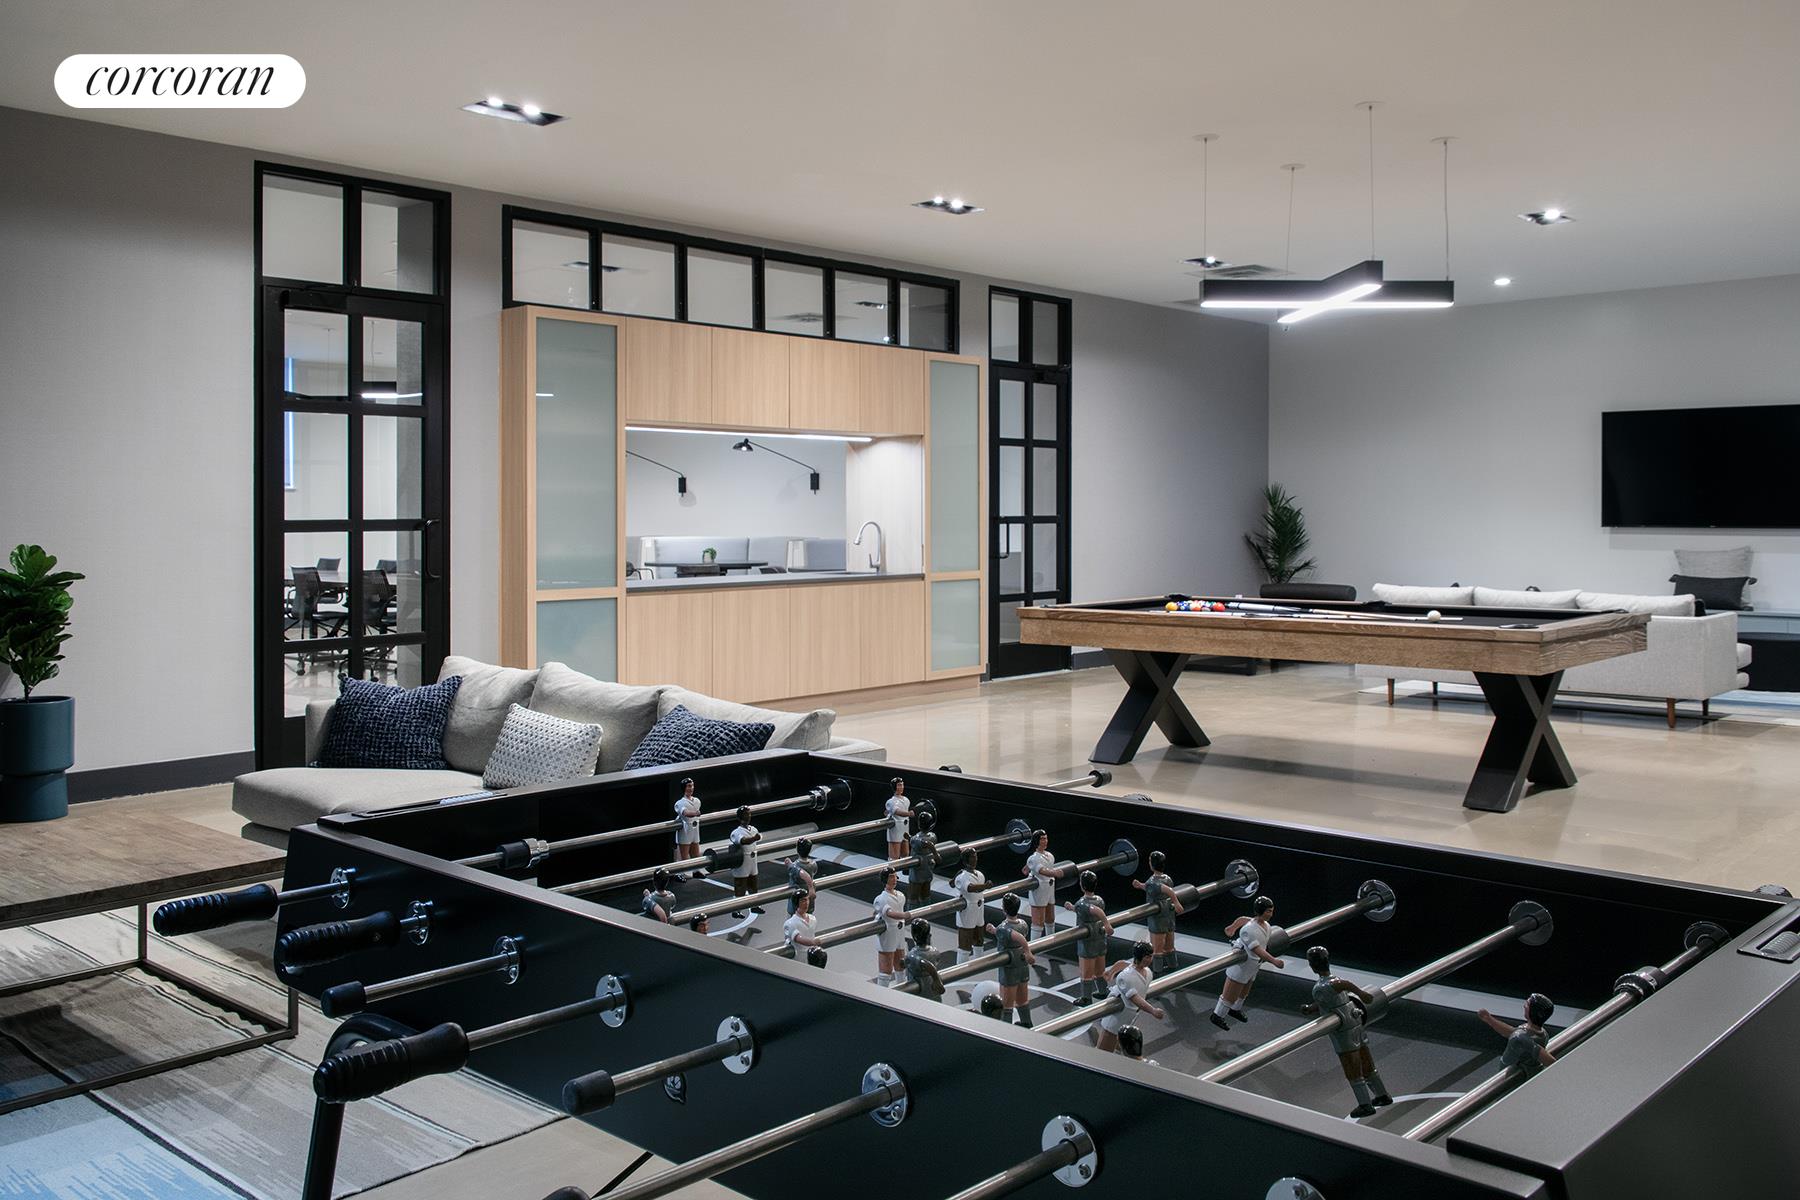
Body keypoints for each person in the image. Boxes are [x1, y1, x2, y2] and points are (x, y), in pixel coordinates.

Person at [1300, 945, 1392, 1118]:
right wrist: (1310, 1008)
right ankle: (1382, 1095)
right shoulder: (1332, 981)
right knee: (1366, 1060)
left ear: (1312, 965)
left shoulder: (1324, 985)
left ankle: (1365, 1104)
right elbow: (1329, 999)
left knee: (1352, 1067)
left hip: (1343, 1029)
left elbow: (1343, 986)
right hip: (1354, 1021)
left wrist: (1362, 994)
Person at [1213, 895, 1283, 1030]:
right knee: (1231, 994)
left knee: (1244, 991)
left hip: (1254, 964)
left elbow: (1244, 920)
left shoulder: (1265, 925)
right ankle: (1218, 1015)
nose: (1271, 914)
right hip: (1242, 965)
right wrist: (1274, 961)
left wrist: (1232, 927)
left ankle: (1235, 1009)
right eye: (1268, 911)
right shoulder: (1248, 930)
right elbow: (1257, 949)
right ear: (1260, 911)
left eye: (1271, 911)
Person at [1096, 941, 1164, 1053]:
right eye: (1147, 957)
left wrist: (1111, 971)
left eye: (1151, 956)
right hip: (1117, 1015)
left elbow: (1124, 963)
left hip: (1131, 1013)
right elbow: (1134, 998)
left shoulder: (1147, 972)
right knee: (1104, 1049)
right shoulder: (1126, 977)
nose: (1150, 959)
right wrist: (1153, 1010)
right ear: (1139, 956)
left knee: (1119, 1043)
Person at [1063, 871, 1114, 1005]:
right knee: (1099, 969)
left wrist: (1107, 923)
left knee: (1086, 971)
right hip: (1100, 938)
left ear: (1082, 885)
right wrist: (1071, 907)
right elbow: (1086, 910)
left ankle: (1086, 997)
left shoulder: (1082, 903)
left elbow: (1095, 910)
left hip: (1087, 941)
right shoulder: (1099, 900)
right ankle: (1103, 990)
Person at [1131, 851, 1186, 974]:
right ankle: (1173, 966)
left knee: (1157, 949)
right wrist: (1140, 885)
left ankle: (1157, 972)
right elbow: (1154, 889)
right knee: (1169, 946)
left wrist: (1176, 902)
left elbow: (1166, 890)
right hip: (1169, 916)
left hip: (1158, 918)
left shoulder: (1153, 881)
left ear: (1152, 864)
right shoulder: (1166, 878)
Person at [987, 893, 1037, 1025]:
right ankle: (1027, 1022)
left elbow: (1016, 936)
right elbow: (1011, 934)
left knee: (1007, 1003)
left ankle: (1006, 1029)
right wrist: (994, 930)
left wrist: (1027, 950)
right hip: (1022, 965)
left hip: (1009, 969)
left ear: (1004, 908)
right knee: (1022, 999)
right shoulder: (1023, 924)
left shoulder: (1003, 928)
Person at [1478, 993, 1557, 1078]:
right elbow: (1513, 1033)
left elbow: (1549, 1061)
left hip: (1510, 1077)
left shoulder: (1524, 1039)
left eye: (1527, 1004)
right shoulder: (1540, 1033)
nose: (1524, 1006)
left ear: (1534, 1012)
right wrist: (1490, 1020)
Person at [872, 868, 909, 984]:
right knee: (886, 968)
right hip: (888, 932)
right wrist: (905, 915)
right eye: (891, 877)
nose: (894, 879)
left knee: (901, 964)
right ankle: (881, 991)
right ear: (885, 879)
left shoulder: (901, 895)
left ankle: (901, 987)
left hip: (899, 931)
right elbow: (889, 913)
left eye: (895, 876)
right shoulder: (881, 899)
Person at [1023, 830, 1063, 938]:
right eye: (1042, 839)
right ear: (1037, 841)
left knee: (1050, 918)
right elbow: (1042, 870)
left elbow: (1026, 869)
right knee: (1038, 921)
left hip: (1049, 888)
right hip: (1039, 890)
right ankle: (1035, 944)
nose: (1045, 841)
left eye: (1046, 838)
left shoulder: (1050, 856)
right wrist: (1055, 873)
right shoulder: (1033, 858)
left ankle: (1051, 941)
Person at [951, 848, 988, 963]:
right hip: (967, 910)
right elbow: (970, 888)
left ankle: (979, 964)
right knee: (965, 942)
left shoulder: (980, 874)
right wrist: (985, 886)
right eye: (972, 856)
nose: (975, 859)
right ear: (966, 859)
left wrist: (984, 886)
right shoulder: (962, 877)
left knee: (979, 939)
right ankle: (961, 967)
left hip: (979, 908)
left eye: (976, 856)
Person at [728, 806, 763, 918]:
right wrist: (754, 838)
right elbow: (743, 841)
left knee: (753, 884)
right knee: (740, 886)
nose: (748, 816)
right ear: (740, 817)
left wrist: (755, 838)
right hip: (742, 860)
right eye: (745, 814)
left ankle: (754, 905)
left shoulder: (753, 829)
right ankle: (736, 909)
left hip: (752, 860)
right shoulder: (736, 832)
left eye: (749, 814)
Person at [904, 918, 945, 1001]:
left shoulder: (913, 955)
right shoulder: (934, 951)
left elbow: (926, 964)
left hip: (920, 993)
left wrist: (937, 980)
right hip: (933, 992)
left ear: (914, 936)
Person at [784, 889, 826, 966]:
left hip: (810, 956)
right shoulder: (790, 923)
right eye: (803, 900)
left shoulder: (813, 919)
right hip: (797, 958)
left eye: (807, 899)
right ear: (796, 903)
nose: (806, 903)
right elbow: (798, 938)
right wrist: (812, 942)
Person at [907, 809, 939, 905]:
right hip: (928, 866)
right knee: (926, 893)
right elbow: (929, 843)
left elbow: (925, 843)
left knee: (913, 895)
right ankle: (926, 910)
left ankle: (912, 911)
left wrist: (909, 838)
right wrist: (935, 854)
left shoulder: (916, 839)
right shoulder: (933, 836)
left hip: (918, 869)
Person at [672, 778, 703, 875]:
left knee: (695, 853)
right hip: (685, 830)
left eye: (692, 786)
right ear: (684, 788)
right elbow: (685, 813)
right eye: (689, 786)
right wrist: (695, 813)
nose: (691, 788)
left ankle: (696, 871)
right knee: (683, 855)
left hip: (695, 829)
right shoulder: (680, 803)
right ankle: (680, 873)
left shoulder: (697, 801)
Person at [785, 838, 818, 916]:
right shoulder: (813, 864)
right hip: (809, 901)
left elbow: (804, 874)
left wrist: (789, 864)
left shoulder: (795, 866)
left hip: (796, 903)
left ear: (797, 849)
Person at [884, 777, 912, 862]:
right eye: (899, 785)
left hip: (905, 828)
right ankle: (892, 869)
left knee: (905, 853)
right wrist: (909, 814)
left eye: (902, 785)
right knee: (894, 855)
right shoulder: (891, 801)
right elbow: (897, 811)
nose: (901, 787)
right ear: (894, 787)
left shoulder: (906, 800)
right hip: (895, 828)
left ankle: (905, 868)